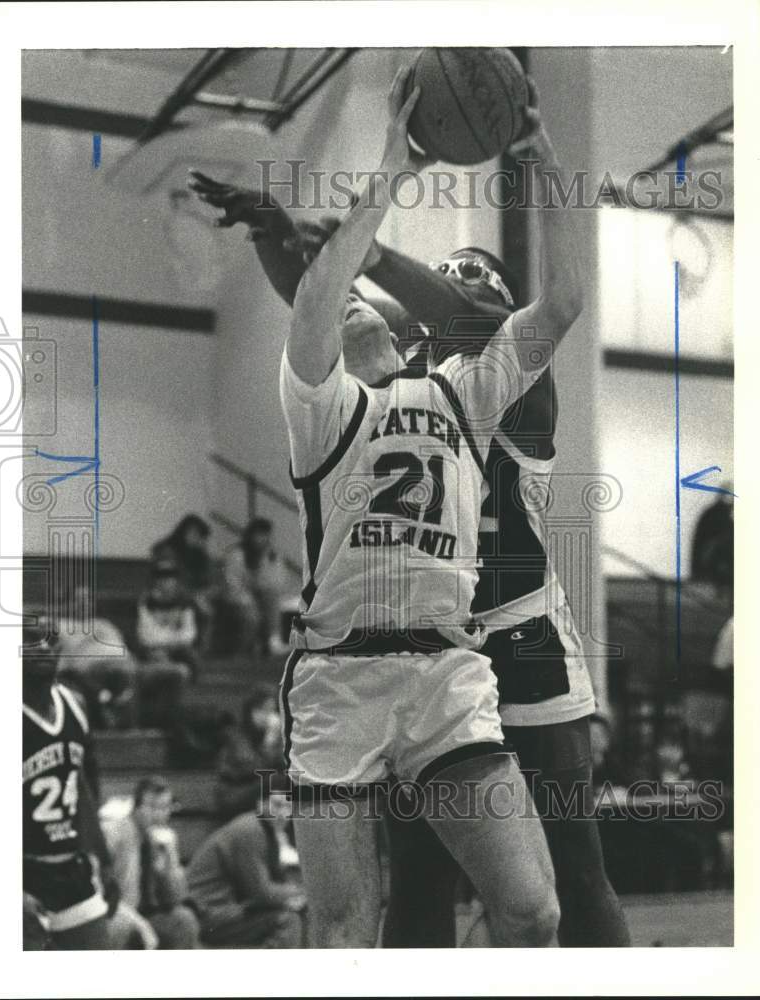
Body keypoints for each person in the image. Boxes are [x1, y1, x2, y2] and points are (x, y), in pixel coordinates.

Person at [192, 77, 627, 946]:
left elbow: (520, 307)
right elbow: (322, 307)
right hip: (372, 659)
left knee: (567, 875)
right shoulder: (349, 400)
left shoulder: (496, 392)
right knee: (410, 884)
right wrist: (279, 235)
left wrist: (533, 162)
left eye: (467, 283)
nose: (445, 296)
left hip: (509, 634)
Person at [22, 623, 119, 949]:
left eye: (50, 640)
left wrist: (104, 862)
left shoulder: (76, 703)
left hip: (70, 867)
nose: (43, 648)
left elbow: (84, 790)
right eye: (29, 641)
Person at [188, 784, 305, 948]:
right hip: (208, 913)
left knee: (298, 912)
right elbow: (261, 892)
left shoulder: (268, 831)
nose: (283, 814)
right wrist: (304, 891)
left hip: (225, 909)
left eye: (288, 807)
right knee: (287, 920)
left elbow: (272, 886)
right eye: (277, 805)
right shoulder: (251, 830)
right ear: (260, 803)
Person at [102, 775, 199, 949]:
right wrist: (138, 923)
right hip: (117, 915)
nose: (159, 815)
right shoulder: (114, 834)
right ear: (136, 807)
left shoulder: (165, 839)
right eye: (153, 807)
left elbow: (177, 899)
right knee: (121, 928)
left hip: (145, 914)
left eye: (165, 807)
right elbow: (103, 895)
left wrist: (168, 863)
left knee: (184, 920)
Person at [54, 583, 137, 730]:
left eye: (87, 599)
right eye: (78, 599)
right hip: (83, 672)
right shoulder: (61, 626)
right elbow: (67, 658)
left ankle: (113, 706)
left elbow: (122, 648)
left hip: (119, 667)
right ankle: (110, 705)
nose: (83, 603)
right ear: (69, 603)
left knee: (127, 674)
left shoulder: (105, 624)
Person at [136, 569, 198, 727]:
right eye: (162, 579)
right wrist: (168, 641)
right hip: (152, 649)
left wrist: (169, 642)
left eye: (170, 579)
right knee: (154, 656)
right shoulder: (146, 602)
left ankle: (182, 701)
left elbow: (189, 633)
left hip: (177, 649)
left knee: (191, 657)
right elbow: (146, 636)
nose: (166, 583)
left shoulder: (184, 603)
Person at [214, 687, 285, 820]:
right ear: (250, 711)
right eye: (262, 710)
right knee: (277, 781)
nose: (267, 716)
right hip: (233, 793)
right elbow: (252, 768)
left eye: (271, 711)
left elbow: (283, 764)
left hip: (258, 792)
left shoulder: (274, 736)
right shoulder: (236, 735)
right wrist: (269, 742)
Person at [151, 514, 222, 648]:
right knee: (200, 609)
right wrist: (195, 596)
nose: (200, 541)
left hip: (198, 595)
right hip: (171, 593)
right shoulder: (166, 551)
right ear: (187, 532)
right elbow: (167, 582)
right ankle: (198, 650)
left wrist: (204, 594)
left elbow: (213, 580)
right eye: (196, 535)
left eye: (201, 538)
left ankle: (208, 650)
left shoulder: (200, 554)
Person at [223, 517, 287, 655]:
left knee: (272, 595)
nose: (262, 539)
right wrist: (249, 597)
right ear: (250, 535)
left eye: (265, 535)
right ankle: (245, 650)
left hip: (261, 595)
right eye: (258, 535)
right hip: (239, 598)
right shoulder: (237, 554)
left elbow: (276, 581)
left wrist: (264, 561)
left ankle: (273, 640)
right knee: (252, 615)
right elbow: (232, 583)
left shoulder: (271, 555)